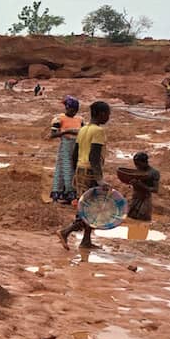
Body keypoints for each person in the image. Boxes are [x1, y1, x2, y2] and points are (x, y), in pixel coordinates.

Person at [57, 101, 111, 250]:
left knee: (85, 207)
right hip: (90, 172)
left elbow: (75, 154)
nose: (108, 117)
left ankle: (86, 240)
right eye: (108, 114)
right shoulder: (98, 131)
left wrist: (75, 172)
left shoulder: (83, 129)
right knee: (90, 209)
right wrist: (99, 179)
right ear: (101, 114)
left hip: (81, 170)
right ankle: (65, 232)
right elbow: (94, 157)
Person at [49, 96, 85, 204]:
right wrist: (67, 132)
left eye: (76, 110)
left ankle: (64, 195)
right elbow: (53, 134)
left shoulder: (80, 119)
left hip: (77, 147)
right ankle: (69, 194)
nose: (74, 112)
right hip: (65, 147)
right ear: (67, 108)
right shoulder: (59, 119)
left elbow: (83, 132)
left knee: (72, 170)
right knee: (66, 170)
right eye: (72, 110)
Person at [127, 152, 160, 221]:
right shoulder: (137, 171)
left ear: (145, 162)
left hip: (145, 200)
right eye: (135, 164)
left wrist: (142, 185)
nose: (136, 166)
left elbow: (155, 190)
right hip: (135, 199)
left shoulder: (154, 173)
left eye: (138, 164)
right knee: (131, 222)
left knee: (143, 222)